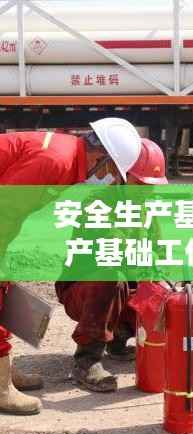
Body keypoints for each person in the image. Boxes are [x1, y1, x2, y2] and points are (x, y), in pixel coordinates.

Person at [0, 118, 142, 415]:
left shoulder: (65, 160)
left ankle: (4, 372)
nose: (109, 180)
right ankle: (1, 389)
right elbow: (5, 207)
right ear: (98, 156)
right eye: (111, 171)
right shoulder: (56, 161)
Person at [55, 139, 168, 393]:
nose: (147, 191)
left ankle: (118, 338)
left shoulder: (147, 210)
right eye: (141, 184)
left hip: (120, 287)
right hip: (86, 290)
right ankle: (87, 360)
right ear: (122, 175)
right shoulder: (97, 205)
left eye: (151, 186)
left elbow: (159, 254)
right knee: (112, 275)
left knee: (162, 290)